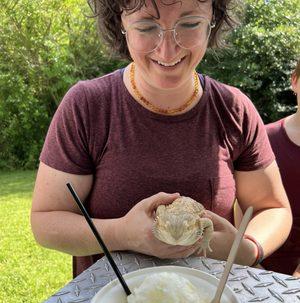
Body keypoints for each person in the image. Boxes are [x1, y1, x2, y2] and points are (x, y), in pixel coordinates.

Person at [31, 0, 292, 278]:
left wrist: (246, 249)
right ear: (122, 25)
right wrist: (122, 234)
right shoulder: (87, 106)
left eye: (190, 24)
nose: (167, 50)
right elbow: (47, 221)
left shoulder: (233, 108)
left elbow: (272, 208)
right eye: (146, 27)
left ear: (212, 21)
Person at [261, 60, 300, 277]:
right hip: (255, 266)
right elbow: (243, 206)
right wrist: (248, 260)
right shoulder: (264, 139)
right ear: (294, 81)